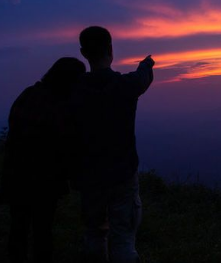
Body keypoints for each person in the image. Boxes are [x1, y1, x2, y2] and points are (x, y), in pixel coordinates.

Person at [71, 26, 154, 263]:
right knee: (124, 240)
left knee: (94, 235)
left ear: (83, 53)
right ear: (110, 49)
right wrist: (147, 64)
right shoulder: (124, 86)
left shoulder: (75, 89)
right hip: (122, 175)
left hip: (88, 176)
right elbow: (143, 78)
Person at [0, 57, 87, 263]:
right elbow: (65, 143)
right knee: (43, 231)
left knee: (18, 228)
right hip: (43, 180)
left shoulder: (28, 94)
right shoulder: (59, 106)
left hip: (16, 174)